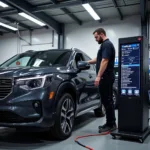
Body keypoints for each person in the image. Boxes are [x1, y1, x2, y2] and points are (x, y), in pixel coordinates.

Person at [88, 28, 117, 133]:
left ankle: (111, 124)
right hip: (106, 77)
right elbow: (98, 59)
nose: (95, 39)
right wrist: (87, 62)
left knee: (107, 100)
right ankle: (110, 122)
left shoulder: (107, 45)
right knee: (106, 100)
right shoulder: (104, 46)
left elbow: (104, 61)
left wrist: (98, 76)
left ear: (101, 34)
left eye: (96, 37)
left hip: (106, 77)